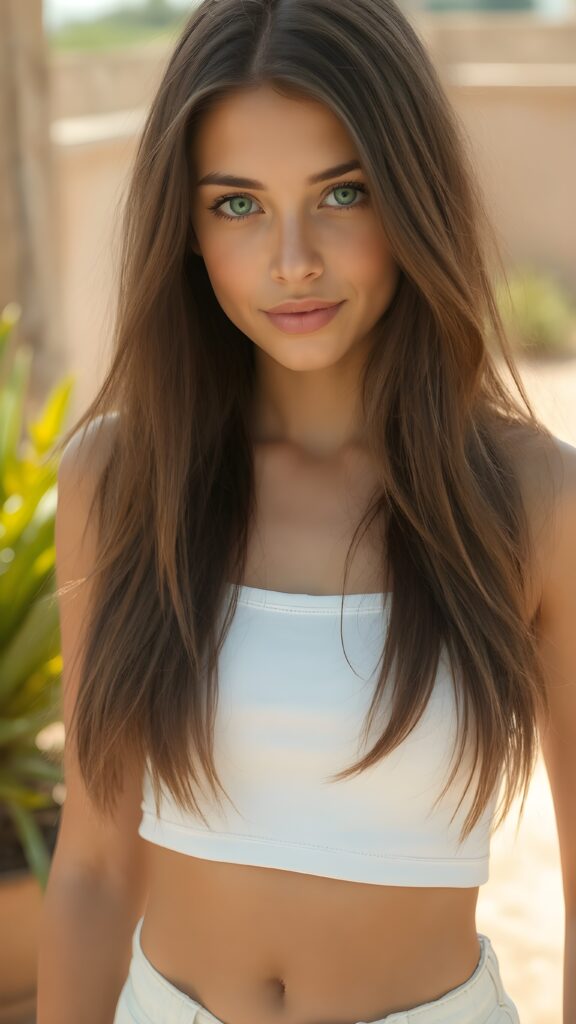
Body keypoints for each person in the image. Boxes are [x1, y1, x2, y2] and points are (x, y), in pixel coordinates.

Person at [36, 1, 576, 1022]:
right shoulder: (121, 480)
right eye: (238, 205)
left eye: (342, 193)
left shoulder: (532, 500)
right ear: (187, 231)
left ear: (413, 195)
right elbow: (97, 871)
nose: (293, 260)